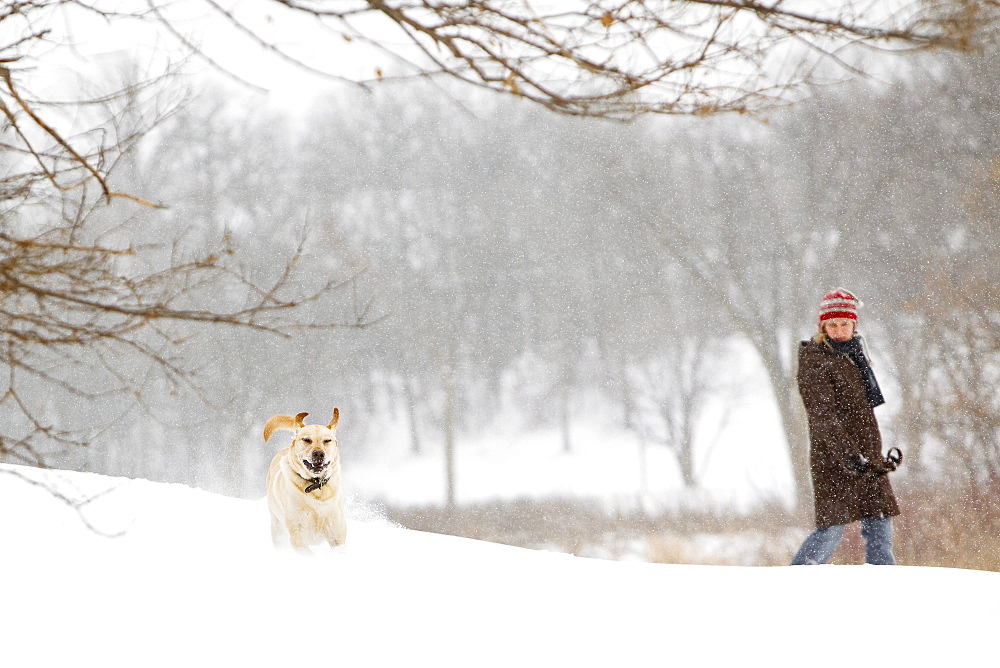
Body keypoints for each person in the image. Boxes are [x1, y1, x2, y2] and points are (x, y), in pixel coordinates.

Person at [791, 288, 900, 565]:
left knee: (880, 522)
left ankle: (884, 585)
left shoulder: (854, 355)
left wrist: (869, 457)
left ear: (854, 324)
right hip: (835, 458)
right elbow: (822, 416)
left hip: (868, 458)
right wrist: (850, 457)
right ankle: (794, 582)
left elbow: (861, 413)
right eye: (832, 324)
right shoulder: (815, 359)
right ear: (823, 327)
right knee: (831, 529)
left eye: (845, 324)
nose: (839, 330)